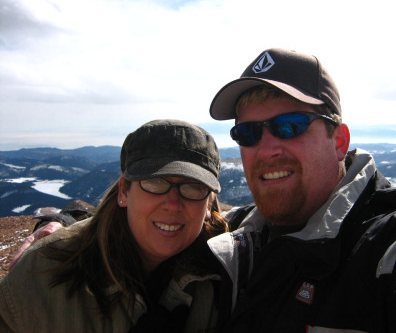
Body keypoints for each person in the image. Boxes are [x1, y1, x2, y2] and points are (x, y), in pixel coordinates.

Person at [207, 48, 396, 333]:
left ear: (339, 141)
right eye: (248, 133)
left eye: (290, 126)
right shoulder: (230, 237)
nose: (267, 149)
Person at [0, 119, 228, 333]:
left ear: (209, 205)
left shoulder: (224, 275)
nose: (173, 204)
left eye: (193, 187)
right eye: (154, 182)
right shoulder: (43, 276)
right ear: (123, 191)